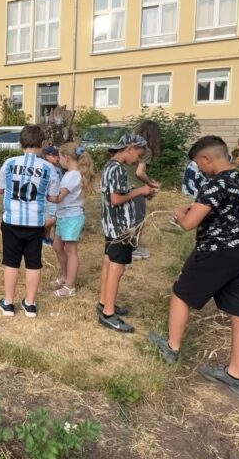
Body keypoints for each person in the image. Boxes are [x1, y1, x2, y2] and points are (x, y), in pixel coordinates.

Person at [148, 136, 239, 398]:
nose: (199, 169)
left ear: (208, 158)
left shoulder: (215, 184)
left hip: (216, 252)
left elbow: (188, 224)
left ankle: (172, 348)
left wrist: (179, 213)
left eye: (198, 163)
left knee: (180, 294)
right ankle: (236, 375)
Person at [0, 125, 61, 318]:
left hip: (12, 220)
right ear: (42, 144)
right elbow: (52, 195)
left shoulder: (9, 163)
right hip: (35, 222)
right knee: (33, 262)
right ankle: (30, 304)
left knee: (11, 261)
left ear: (20, 143)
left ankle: (8, 303)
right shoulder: (49, 168)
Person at [99, 135, 154, 332]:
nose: (138, 160)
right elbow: (115, 199)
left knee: (109, 263)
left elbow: (116, 193)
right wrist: (140, 191)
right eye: (138, 155)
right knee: (117, 268)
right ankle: (108, 314)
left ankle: (104, 302)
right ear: (129, 148)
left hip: (111, 225)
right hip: (120, 228)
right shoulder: (117, 169)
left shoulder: (110, 167)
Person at [50, 143, 97, 298]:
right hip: (64, 216)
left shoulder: (71, 177)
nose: (58, 160)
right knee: (58, 246)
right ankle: (65, 277)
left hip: (71, 217)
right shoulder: (72, 175)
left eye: (59, 156)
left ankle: (70, 287)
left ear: (67, 157)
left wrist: (42, 193)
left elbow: (58, 198)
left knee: (71, 251)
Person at [127, 120, 162, 260]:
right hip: (135, 188)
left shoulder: (129, 145)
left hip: (122, 186)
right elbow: (139, 173)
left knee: (126, 218)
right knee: (138, 219)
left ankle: (126, 246)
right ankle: (133, 248)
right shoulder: (145, 149)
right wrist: (151, 184)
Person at [40, 146, 63, 246]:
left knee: (53, 219)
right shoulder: (42, 167)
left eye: (58, 155)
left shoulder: (58, 169)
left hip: (55, 197)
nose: (57, 157)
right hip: (46, 197)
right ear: (47, 156)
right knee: (52, 219)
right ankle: (40, 234)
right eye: (54, 155)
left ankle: (47, 238)